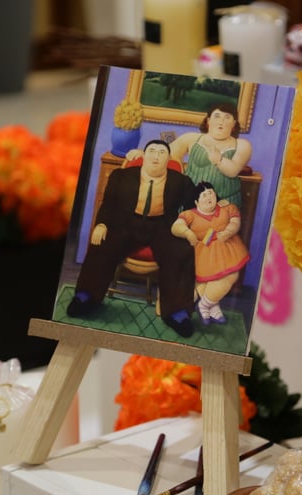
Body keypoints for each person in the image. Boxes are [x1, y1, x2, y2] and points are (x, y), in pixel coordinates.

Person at [68, 139, 197, 338]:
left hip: (162, 225)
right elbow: (108, 203)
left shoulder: (181, 181)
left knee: (181, 251)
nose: (156, 156)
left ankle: (178, 313)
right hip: (127, 222)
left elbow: (192, 208)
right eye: (151, 151)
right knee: (102, 243)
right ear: (143, 156)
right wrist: (101, 224)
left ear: (169, 159)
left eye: (162, 152)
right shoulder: (122, 176)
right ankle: (86, 296)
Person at [130, 102, 252, 208]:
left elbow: (233, 170)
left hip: (224, 204)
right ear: (209, 121)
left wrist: (218, 160)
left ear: (234, 124)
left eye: (227, 117)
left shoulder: (242, 144)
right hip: (190, 202)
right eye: (217, 116)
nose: (221, 121)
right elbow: (166, 154)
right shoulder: (192, 138)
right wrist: (144, 153)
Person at [172, 181, 250, 326]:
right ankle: (208, 307)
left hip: (227, 249)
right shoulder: (190, 214)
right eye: (204, 195)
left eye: (211, 193)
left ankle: (205, 305)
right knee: (200, 281)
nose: (209, 197)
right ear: (196, 201)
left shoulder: (226, 208)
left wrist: (228, 231)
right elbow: (176, 226)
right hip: (202, 252)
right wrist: (187, 232)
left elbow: (235, 222)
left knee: (231, 275)